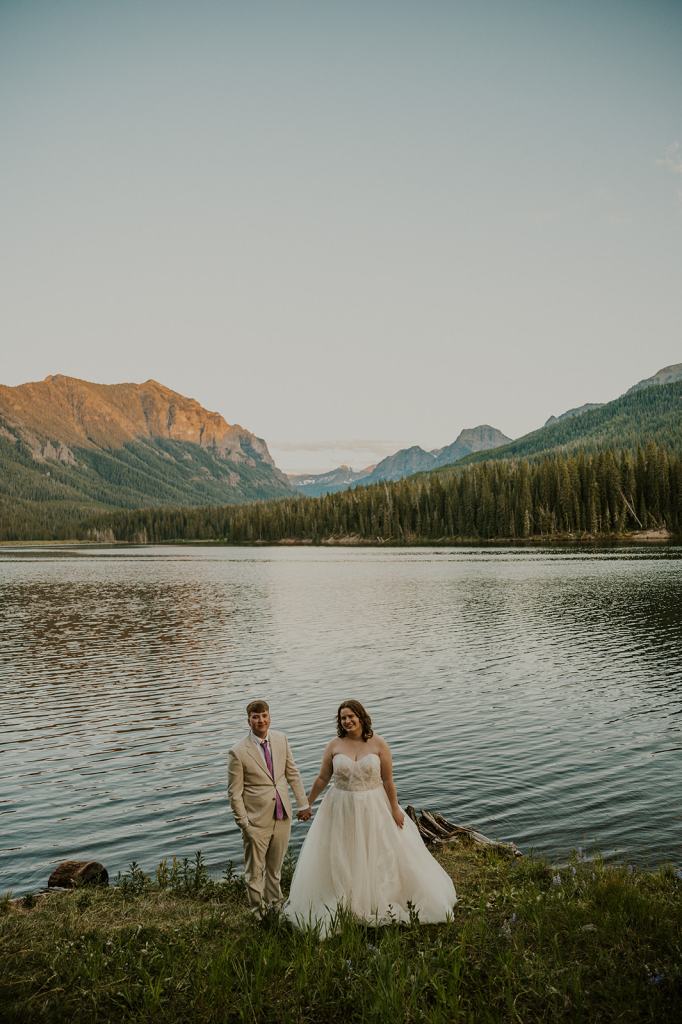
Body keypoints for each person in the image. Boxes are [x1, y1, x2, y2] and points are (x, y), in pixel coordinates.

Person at [283, 699, 456, 934]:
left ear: (361, 717)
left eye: (351, 716)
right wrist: (307, 803)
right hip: (340, 805)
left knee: (380, 850)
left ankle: (377, 897)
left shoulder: (378, 744)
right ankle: (345, 898)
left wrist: (395, 809)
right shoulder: (334, 745)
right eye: (343, 717)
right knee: (342, 851)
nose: (347, 721)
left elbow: (388, 781)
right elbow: (322, 779)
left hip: (374, 805)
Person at [228, 699, 311, 912]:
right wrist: (244, 824)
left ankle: (276, 906)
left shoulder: (281, 739)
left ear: (269, 717)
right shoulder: (238, 752)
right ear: (249, 721)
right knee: (255, 871)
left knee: (275, 867)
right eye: (256, 717)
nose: (261, 720)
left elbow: (292, 773)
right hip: (256, 820)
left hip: (282, 815)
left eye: (264, 715)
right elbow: (234, 793)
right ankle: (259, 913)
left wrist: (303, 804)